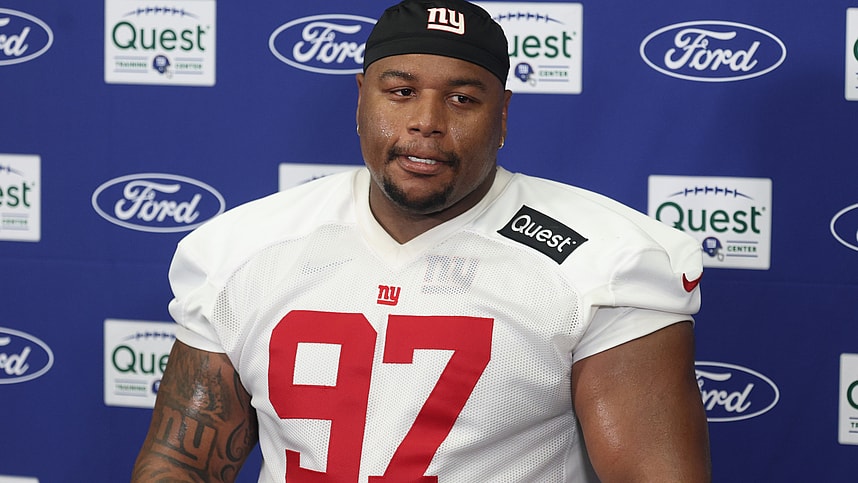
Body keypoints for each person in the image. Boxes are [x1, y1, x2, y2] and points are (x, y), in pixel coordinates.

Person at [131, 0, 712, 481]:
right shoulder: (243, 248)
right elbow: (183, 461)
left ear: (503, 115)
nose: (426, 122)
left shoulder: (601, 260)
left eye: (462, 98)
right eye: (401, 91)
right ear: (361, 99)